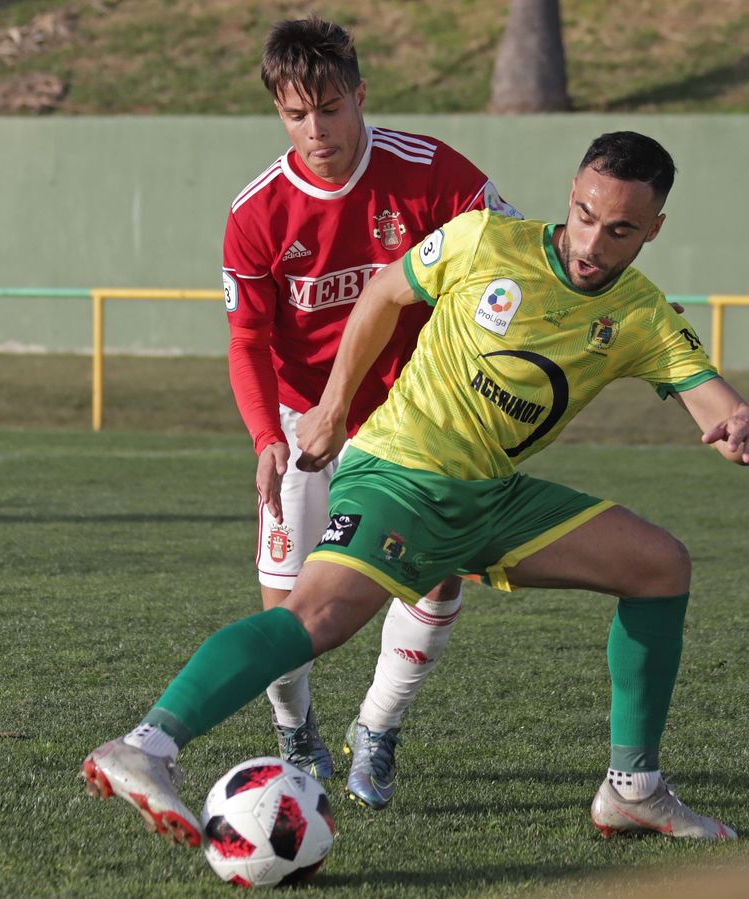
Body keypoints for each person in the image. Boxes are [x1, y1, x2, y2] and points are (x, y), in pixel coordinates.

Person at [83, 130, 749, 847]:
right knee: (317, 618)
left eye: (619, 230)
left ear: (654, 230)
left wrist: (738, 421)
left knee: (659, 566)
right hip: (401, 473)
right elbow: (385, 293)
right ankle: (148, 746)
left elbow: (710, 398)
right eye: (582, 214)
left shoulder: (641, 313)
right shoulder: (486, 240)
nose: (592, 242)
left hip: (491, 498)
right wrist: (330, 406)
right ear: (570, 196)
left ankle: (632, 790)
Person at [220, 15, 520, 810]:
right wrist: (263, 438)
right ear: (278, 114)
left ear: (359, 94)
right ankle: (296, 729)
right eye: (295, 114)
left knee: (436, 582)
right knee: (285, 605)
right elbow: (246, 337)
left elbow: (514, 259)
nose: (315, 130)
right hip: (302, 420)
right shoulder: (256, 214)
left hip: (418, 420)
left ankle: (378, 731)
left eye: (329, 107)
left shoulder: (432, 173)